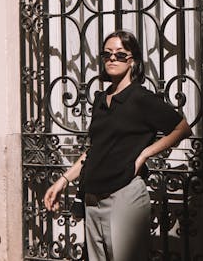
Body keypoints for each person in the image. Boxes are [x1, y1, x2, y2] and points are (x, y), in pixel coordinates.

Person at [44, 30, 192, 261]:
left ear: (133, 61)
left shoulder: (140, 98)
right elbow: (95, 151)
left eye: (121, 55)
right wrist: (63, 180)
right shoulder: (102, 100)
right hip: (93, 198)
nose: (112, 59)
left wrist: (145, 154)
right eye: (107, 54)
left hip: (124, 195)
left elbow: (182, 128)